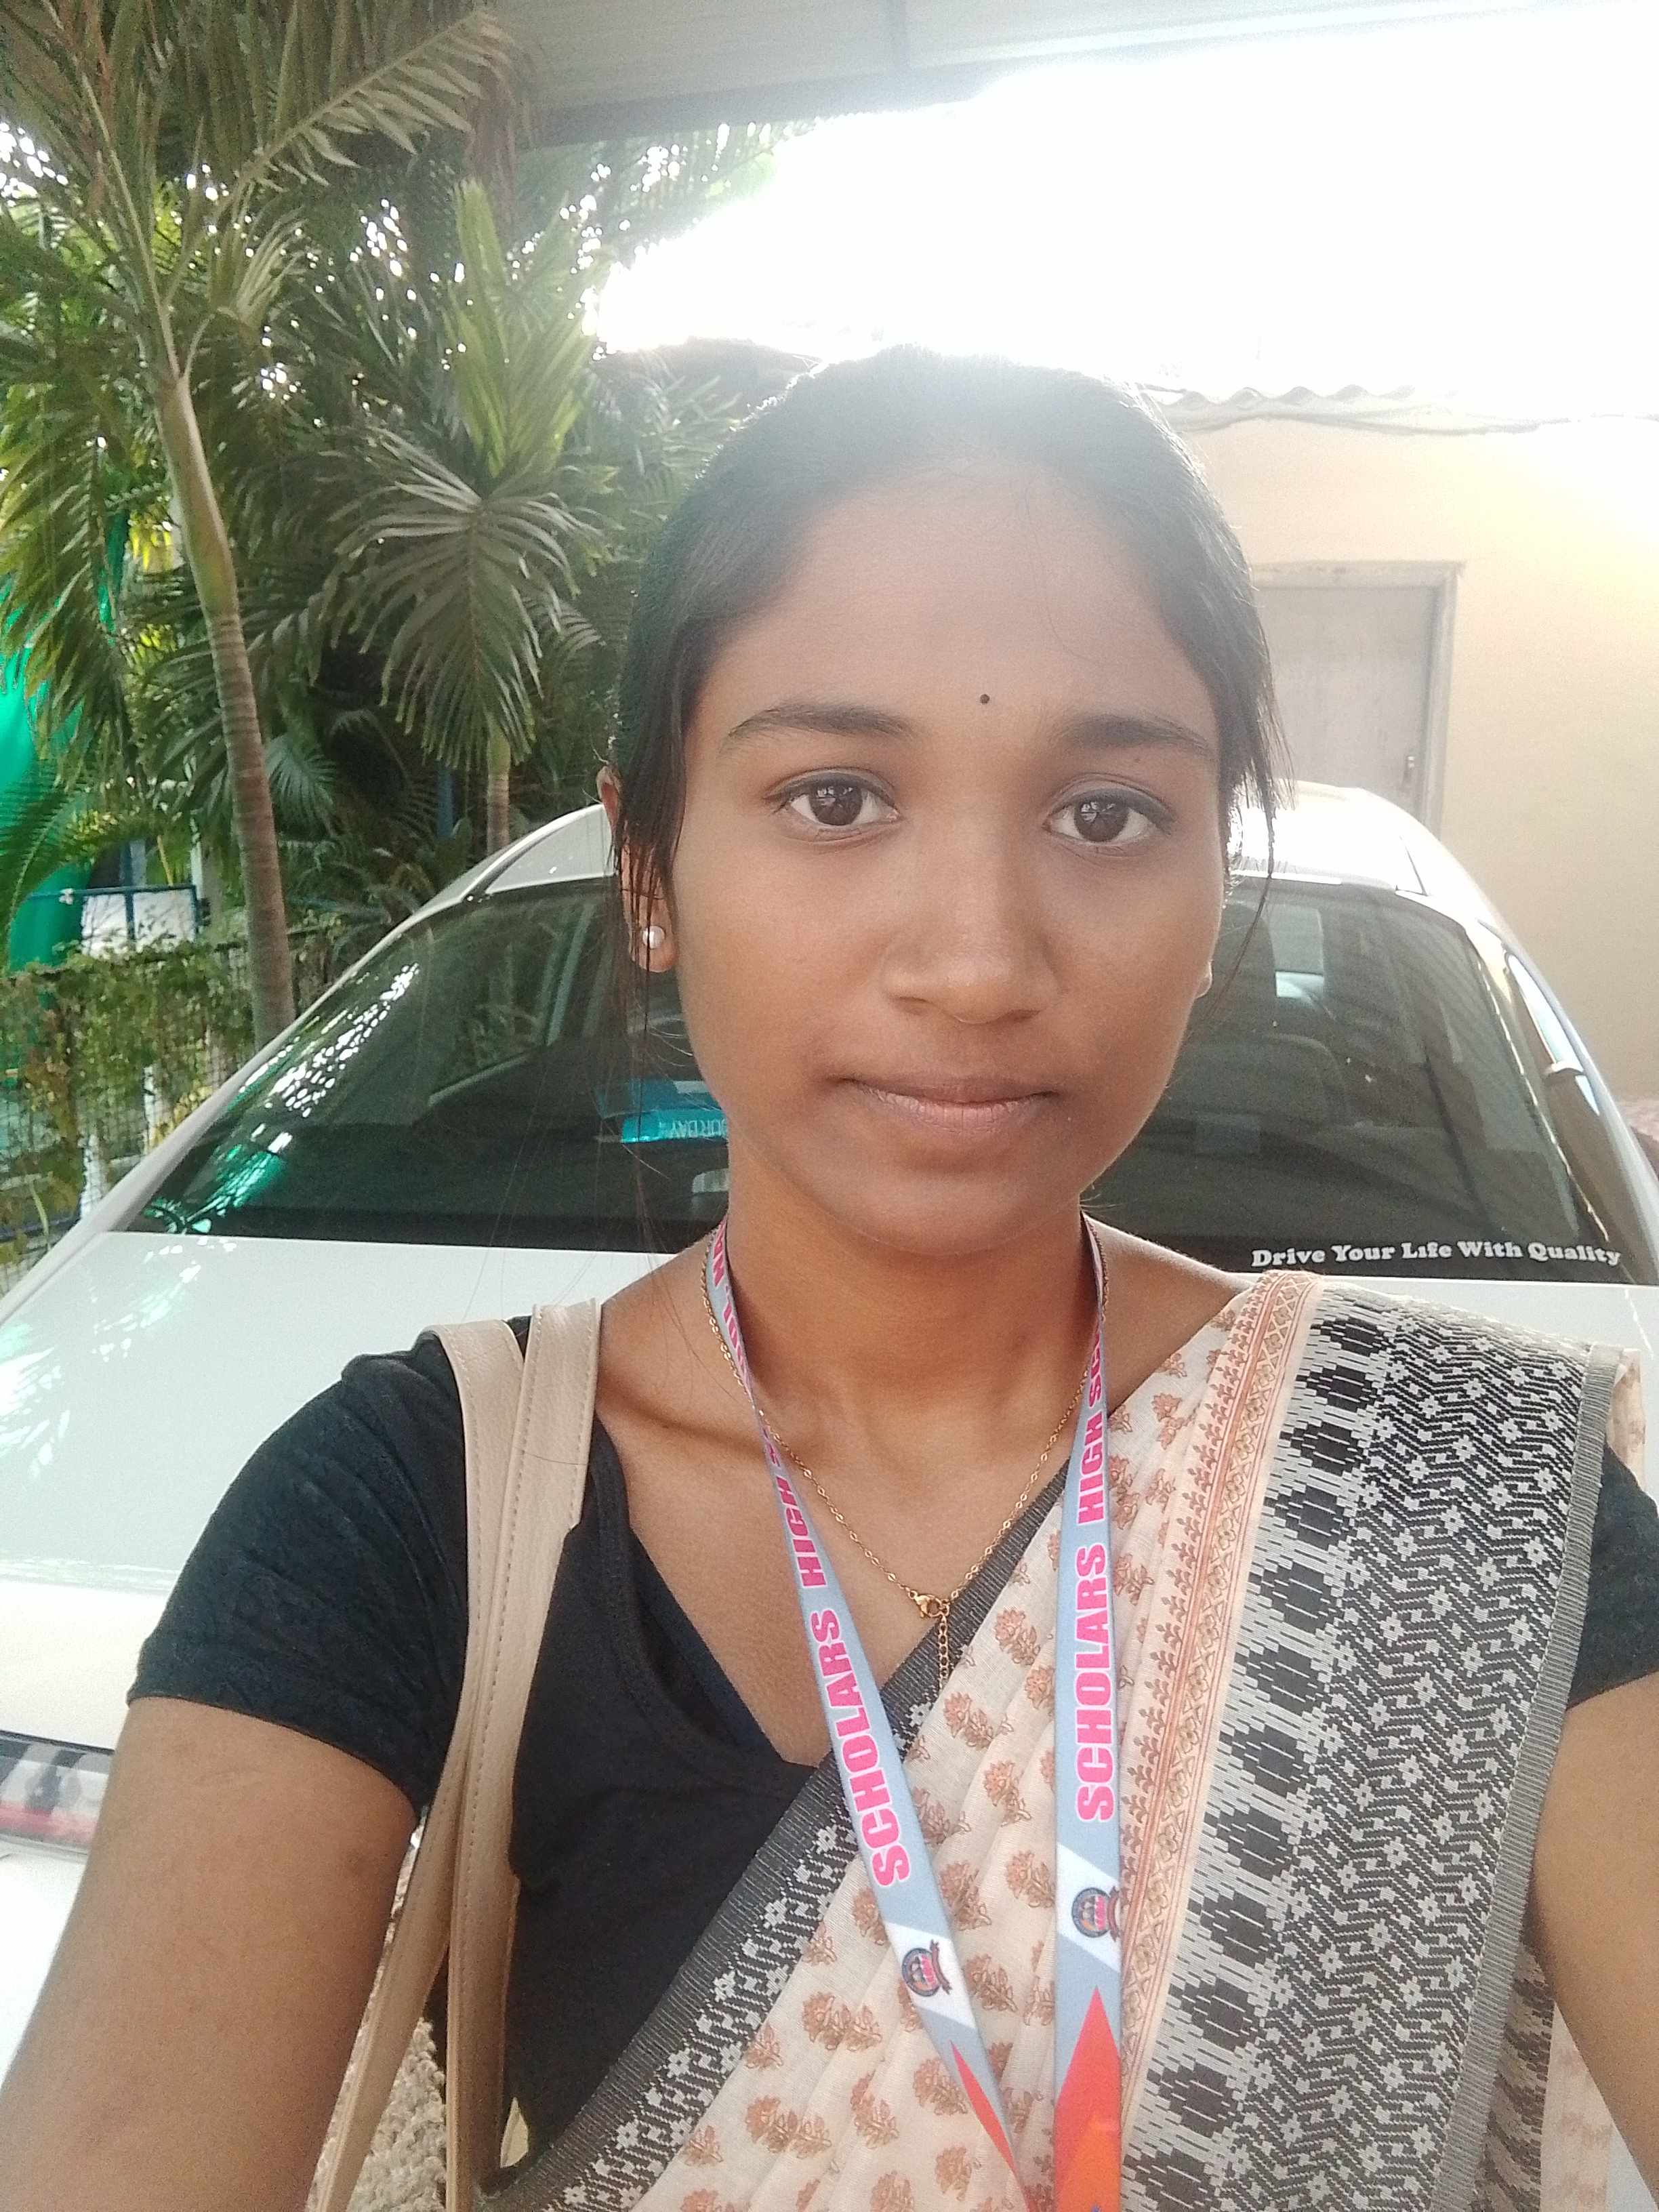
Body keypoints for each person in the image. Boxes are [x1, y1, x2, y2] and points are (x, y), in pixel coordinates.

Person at [3, 347, 1658, 2212]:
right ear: (651, 867)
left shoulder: (1451, 1497)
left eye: (1107, 814)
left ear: (1216, 883)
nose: (977, 962)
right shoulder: (413, 1516)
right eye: (839, 796)